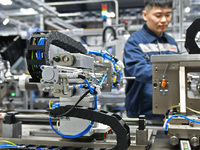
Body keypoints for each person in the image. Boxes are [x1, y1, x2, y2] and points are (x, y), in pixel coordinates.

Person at [123, 0, 179, 120]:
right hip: (142, 112)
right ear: (145, 15)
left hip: (170, 110)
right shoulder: (135, 42)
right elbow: (138, 70)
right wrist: (172, 73)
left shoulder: (171, 43)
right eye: (158, 15)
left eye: (168, 15)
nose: (164, 20)